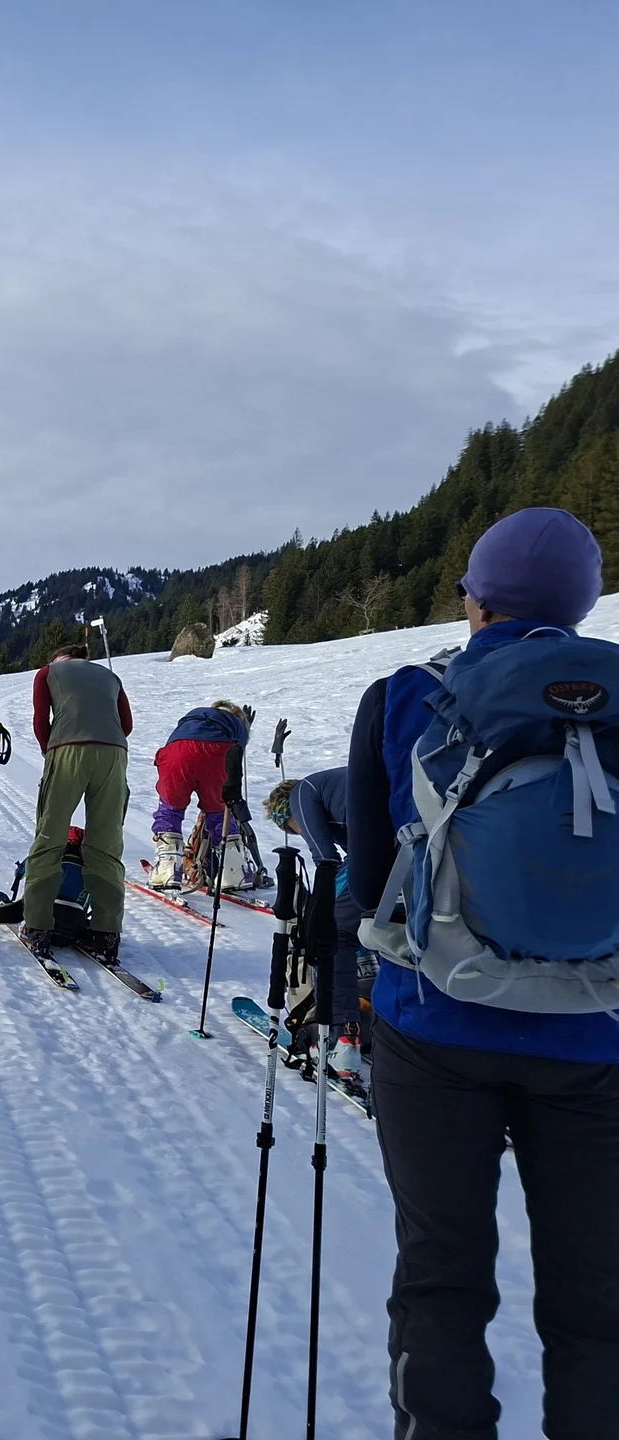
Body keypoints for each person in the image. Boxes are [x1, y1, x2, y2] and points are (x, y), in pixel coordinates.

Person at [347, 506, 619, 1439]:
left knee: (441, 1273)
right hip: (599, 1037)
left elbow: (369, 880)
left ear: (479, 597)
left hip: (435, 1028)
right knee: (599, 1296)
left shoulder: (406, 696)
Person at [21, 642, 132, 963]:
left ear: (57, 659)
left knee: (50, 838)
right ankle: (106, 933)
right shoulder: (110, 677)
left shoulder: (48, 672)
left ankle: (39, 926)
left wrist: (50, 751)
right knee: (106, 843)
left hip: (67, 750)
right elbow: (127, 726)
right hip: (114, 754)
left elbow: (41, 719)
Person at [264, 767, 365, 1078]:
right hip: (418, 840)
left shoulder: (302, 794)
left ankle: (341, 1037)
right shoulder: (334, 791)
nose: (298, 833)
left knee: (333, 937)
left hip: (389, 848)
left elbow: (324, 857)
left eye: (291, 829)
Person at [149, 699, 253, 888]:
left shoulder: (196, 713)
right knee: (219, 811)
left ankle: (168, 869)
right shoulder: (237, 723)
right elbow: (236, 757)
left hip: (177, 753)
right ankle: (233, 872)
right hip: (217, 754)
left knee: (171, 808)